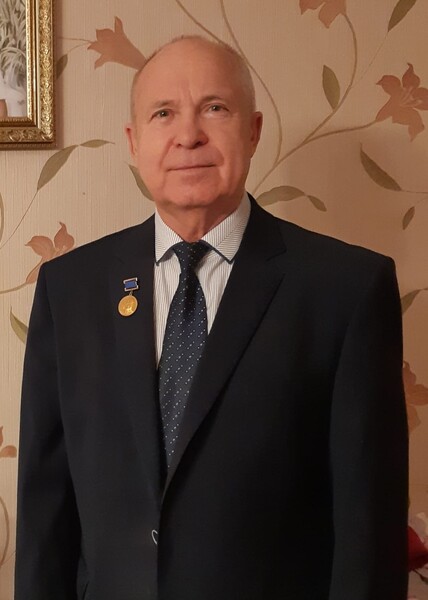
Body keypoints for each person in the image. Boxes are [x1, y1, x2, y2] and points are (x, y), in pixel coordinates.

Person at [15, 36, 408, 600]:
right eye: (163, 113)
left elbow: (368, 532)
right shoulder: (69, 289)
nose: (188, 135)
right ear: (134, 141)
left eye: (215, 108)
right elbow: (45, 511)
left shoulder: (346, 289)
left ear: (253, 130)